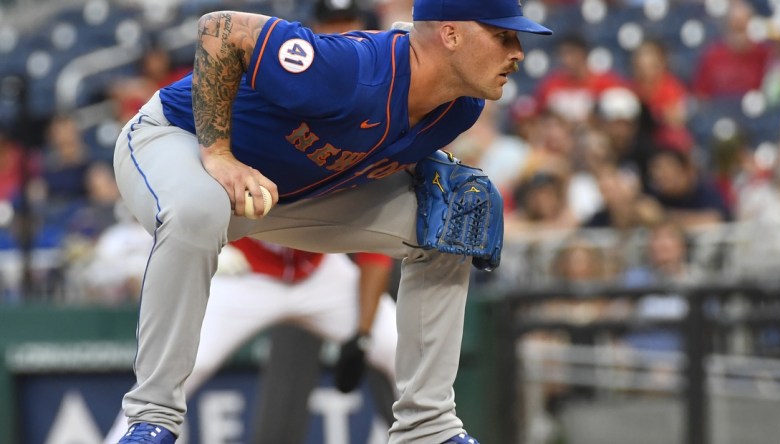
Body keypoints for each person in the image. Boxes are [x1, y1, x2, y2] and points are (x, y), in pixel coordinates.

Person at [110, 1, 552, 443]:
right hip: (176, 139)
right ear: (451, 35)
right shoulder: (350, 70)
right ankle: (153, 419)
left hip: (284, 196)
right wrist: (218, 153)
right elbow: (221, 29)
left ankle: (428, 426)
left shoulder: (460, 107)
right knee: (198, 210)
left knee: (454, 214)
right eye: (502, 36)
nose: (518, 52)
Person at [102, 234, 398, 443]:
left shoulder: (336, 155)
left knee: (400, 347)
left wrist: (362, 335)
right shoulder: (242, 148)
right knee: (177, 364)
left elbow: (375, 247)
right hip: (246, 273)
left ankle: (438, 434)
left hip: (320, 271)